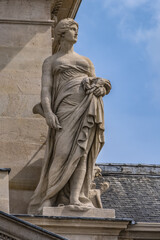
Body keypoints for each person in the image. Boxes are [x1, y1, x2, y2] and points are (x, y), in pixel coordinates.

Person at [28, 18, 111, 214]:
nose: (76, 33)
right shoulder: (51, 61)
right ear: (62, 33)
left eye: (77, 29)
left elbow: (97, 82)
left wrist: (101, 86)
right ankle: (48, 197)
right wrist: (48, 113)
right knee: (62, 153)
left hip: (86, 108)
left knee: (81, 154)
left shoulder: (85, 61)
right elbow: (46, 91)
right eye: (73, 29)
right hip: (64, 110)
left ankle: (75, 197)